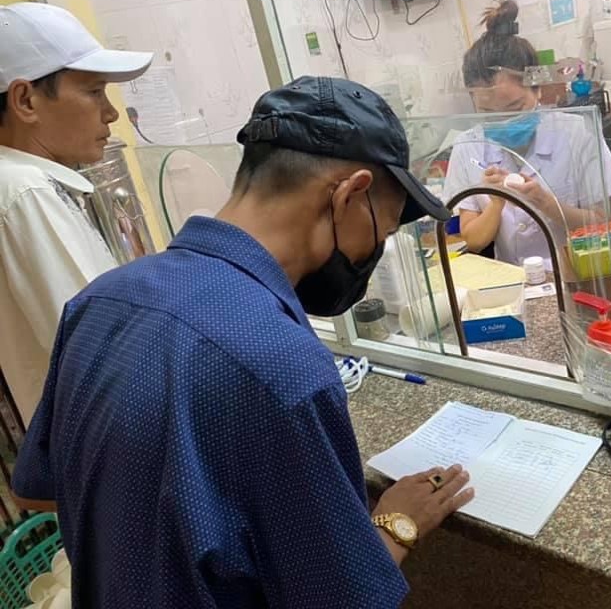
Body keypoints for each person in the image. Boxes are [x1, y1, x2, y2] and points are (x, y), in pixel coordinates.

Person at [12, 76, 474, 608]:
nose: (373, 252)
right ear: (349, 193)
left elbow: (35, 488)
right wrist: (398, 523)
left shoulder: (99, 301)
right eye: (384, 231)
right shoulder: (283, 368)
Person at [0, 2, 153, 425]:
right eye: (94, 92)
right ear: (25, 100)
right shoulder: (25, 192)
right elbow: (109, 356)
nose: (111, 113)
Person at [442, 0, 611, 268]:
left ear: (538, 90)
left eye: (515, 108)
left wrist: (544, 201)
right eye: (488, 113)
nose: (504, 122)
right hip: (515, 282)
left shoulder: (576, 133)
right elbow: (473, 240)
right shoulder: (468, 147)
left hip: (577, 274)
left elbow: (603, 222)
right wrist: (496, 202)